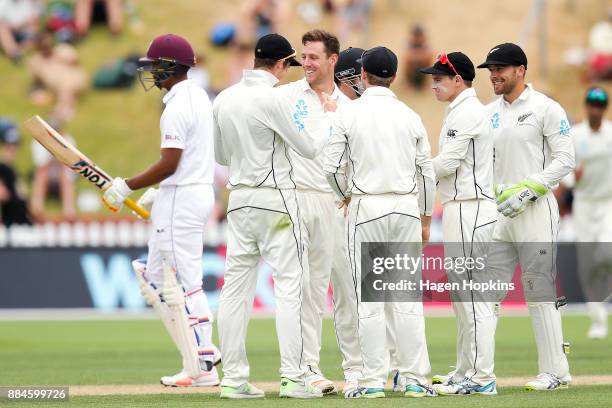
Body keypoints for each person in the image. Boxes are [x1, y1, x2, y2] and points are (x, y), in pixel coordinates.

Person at [214, 33, 331, 399]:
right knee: (291, 287)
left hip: (240, 200)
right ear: (281, 64)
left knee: (234, 292)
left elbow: (221, 157)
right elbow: (310, 148)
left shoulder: (224, 98)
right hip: (276, 201)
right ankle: (293, 378)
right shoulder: (273, 98)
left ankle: (233, 379)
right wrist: (328, 118)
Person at [102, 33, 220, 387]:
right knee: (151, 276)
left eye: (155, 65)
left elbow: (170, 163)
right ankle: (195, 361)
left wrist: (127, 186)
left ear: (170, 66)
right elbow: (183, 162)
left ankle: (204, 357)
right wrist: (159, 191)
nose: (151, 71)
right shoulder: (197, 94)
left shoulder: (177, 107)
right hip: (187, 192)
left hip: (182, 197)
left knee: (186, 283)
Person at [324, 46, 436, 399]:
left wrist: (345, 193)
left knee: (370, 301)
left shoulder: (349, 115)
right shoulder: (410, 115)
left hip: (367, 208)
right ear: (393, 75)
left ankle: (373, 380)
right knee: (405, 299)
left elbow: (330, 167)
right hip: (404, 208)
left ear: (364, 76)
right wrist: (425, 216)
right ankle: (416, 378)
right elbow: (427, 173)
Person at [478, 43, 575, 391]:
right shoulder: (488, 112)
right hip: (500, 213)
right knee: (486, 292)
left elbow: (565, 159)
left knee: (538, 289)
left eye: (500, 68)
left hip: (535, 210)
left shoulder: (546, 108)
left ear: (521, 70)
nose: (494, 74)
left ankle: (556, 372)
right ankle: (478, 373)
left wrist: (530, 188)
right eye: (490, 68)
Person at [275, 29, 355, 396]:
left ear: (332, 60)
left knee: (346, 289)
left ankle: (357, 370)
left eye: (313, 57)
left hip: (337, 203)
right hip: (298, 198)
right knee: (308, 288)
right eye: (303, 57)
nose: (306, 63)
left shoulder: (349, 105)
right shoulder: (286, 96)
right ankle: (308, 369)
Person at [418, 52, 498, 395]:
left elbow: (448, 163)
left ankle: (482, 379)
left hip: (472, 208)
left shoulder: (466, 112)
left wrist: (409, 173)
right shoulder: (461, 110)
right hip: (461, 207)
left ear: (458, 79)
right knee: (462, 295)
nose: (434, 83)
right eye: (433, 77)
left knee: (472, 295)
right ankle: (466, 369)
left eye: (440, 77)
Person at [564, 87, 611, 339]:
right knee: (588, 265)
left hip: (608, 203)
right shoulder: (575, 134)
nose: (595, 109)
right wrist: (573, 180)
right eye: (591, 104)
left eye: (600, 104)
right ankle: (599, 320)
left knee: (606, 252)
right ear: (586, 106)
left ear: (604, 108)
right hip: (584, 203)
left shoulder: (611, 133)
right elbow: (563, 169)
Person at [30, 117, 76, 221]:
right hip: (46, 177)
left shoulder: (69, 140)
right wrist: (53, 151)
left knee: (65, 177)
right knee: (41, 175)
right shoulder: (38, 142)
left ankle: (69, 212)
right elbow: (42, 166)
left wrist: (58, 151)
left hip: (63, 177)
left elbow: (70, 167)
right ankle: (37, 209)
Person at [0, 118, 31, 226]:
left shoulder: (12, 167)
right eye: (10, 145)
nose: (13, 149)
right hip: (12, 224)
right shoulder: (3, 168)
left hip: (20, 222)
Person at [403, 25, 434, 91]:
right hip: (413, 71)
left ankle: (426, 84)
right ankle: (409, 84)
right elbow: (407, 57)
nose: (418, 38)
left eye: (419, 35)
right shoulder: (409, 44)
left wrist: (416, 56)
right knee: (407, 62)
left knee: (430, 61)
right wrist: (420, 56)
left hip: (423, 71)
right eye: (416, 35)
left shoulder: (426, 44)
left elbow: (430, 56)